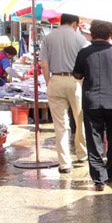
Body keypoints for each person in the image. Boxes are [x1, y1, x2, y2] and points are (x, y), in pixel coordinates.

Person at [73, 20, 112, 191]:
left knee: (94, 141)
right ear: (111, 33)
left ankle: (99, 178)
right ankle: (111, 173)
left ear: (92, 33)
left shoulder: (84, 52)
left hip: (92, 101)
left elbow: (77, 75)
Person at [39, 13, 88, 174]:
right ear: (75, 23)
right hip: (76, 81)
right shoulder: (79, 38)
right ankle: (82, 154)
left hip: (55, 80)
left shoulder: (48, 38)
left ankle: (64, 163)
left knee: (60, 125)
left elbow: (43, 64)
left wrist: (49, 82)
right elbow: (87, 61)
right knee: (80, 118)